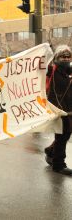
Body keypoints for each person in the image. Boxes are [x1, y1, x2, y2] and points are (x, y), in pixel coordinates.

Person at [44, 45, 72, 175]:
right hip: (57, 109)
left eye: (68, 56)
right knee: (62, 135)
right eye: (63, 56)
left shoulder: (69, 71)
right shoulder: (52, 70)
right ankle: (59, 165)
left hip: (69, 109)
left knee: (65, 134)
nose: (66, 59)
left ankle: (51, 151)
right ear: (56, 57)